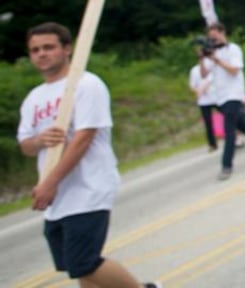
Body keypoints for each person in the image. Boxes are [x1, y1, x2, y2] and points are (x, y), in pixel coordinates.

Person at [17, 22, 160, 288]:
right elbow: (25, 144)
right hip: (59, 199)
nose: (42, 54)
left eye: (49, 47)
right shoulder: (33, 98)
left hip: (88, 188)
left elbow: (84, 137)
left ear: (67, 48)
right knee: (75, 266)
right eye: (35, 50)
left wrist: (50, 183)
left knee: (84, 261)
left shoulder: (87, 84)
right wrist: (39, 140)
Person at [201, 22, 245, 180]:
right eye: (211, 38)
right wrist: (203, 57)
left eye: (215, 36)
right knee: (242, 125)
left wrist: (217, 60)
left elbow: (235, 70)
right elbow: (204, 75)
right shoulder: (211, 54)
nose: (214, 40)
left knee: (229, 130)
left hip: (234, 94)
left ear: (222, 32)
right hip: (220, 97)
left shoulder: (233, 49)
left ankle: (226, 166)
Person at [189, 61, 217, 152]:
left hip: (215, 97)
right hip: (203, 101)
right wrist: (198, 91)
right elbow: (192, 85)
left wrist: (202, 90)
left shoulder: (212, 66)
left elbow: (210, 80)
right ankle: (212, 143)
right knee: (208, 122)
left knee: (229, 115)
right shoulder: (194, 70)